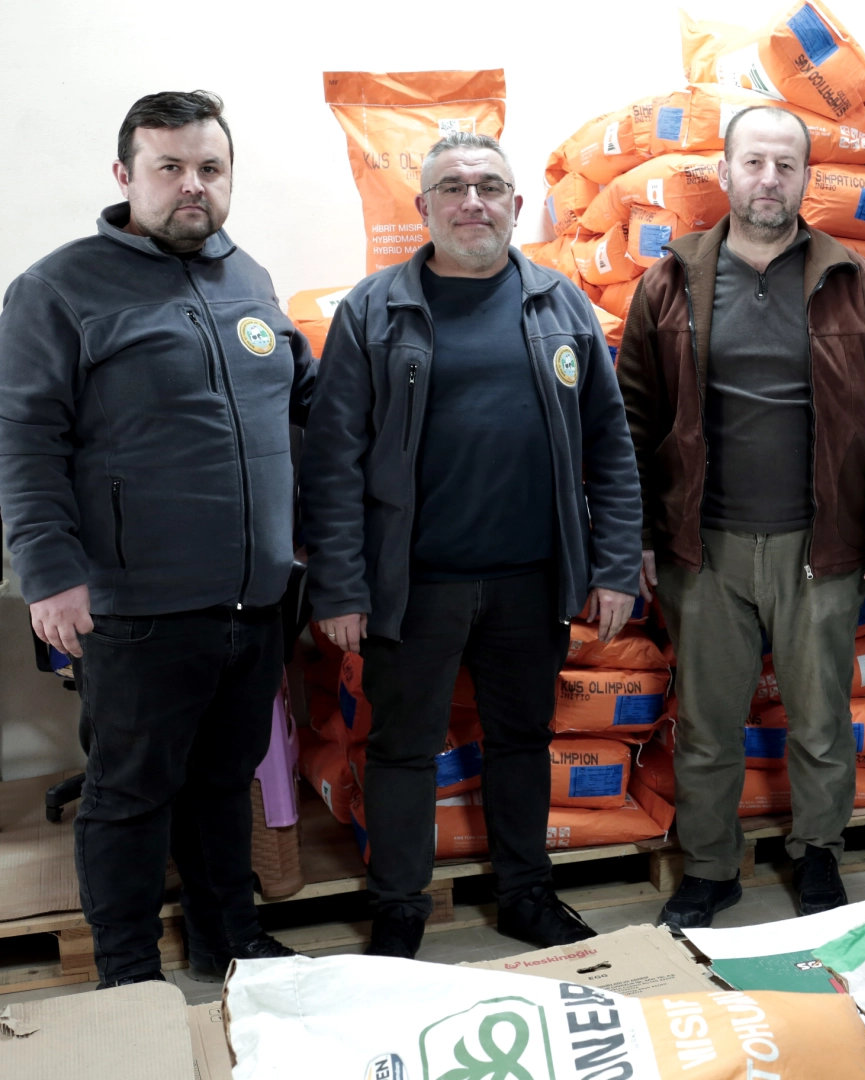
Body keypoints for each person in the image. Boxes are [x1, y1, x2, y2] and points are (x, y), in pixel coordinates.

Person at [301, 132, 642, 957]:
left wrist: (614, 565)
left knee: (523, 740)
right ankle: (399, 907)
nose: (472, 202)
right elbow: (333, 461)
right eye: (452, 188)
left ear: (516, 205)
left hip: (533, 578)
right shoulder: (374, 310)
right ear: (423, 207)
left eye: (489, 186)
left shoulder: (561, 305)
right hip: (412, 584)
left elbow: (610, 445)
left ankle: (526, 894)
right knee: (401, 748)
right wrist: (340, 586)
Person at [0, 91, 313, 986]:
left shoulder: (249, 278)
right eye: (169, 167)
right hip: (136, 606)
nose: (192, 185)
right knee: (131, 794)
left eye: (209, 168)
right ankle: (129, 972)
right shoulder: (57, 290)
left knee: (224, 782)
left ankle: (229, 943)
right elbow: (23, 441)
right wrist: (49, 574)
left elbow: (302, 403)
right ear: (125, 175)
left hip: (253, 599)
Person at [617, 106, 865, 929]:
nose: (768, 179)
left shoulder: (853, 281)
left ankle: (817, 851)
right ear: (724, 172)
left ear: (805, 180)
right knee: (708, 723)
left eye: (786, 165)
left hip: (820, 545)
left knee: (820, 720)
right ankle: (709, 868)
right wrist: (637, 536)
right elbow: (632, 421)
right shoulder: (670, 281)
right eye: (753, 162)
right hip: (702, 546)